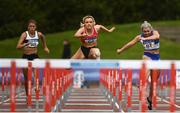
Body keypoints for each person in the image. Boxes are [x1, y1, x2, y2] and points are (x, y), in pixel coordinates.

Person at [117, 21, 160, 110]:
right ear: (142, 31)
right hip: (147, 55)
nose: (146, 33)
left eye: (148, 31)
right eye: (145, 32)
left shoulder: (155, 32)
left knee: (154, 82)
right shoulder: (139, 37)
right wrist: (121, 50)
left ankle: (150, 98)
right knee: (146, 66)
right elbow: (130, 44)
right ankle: (142, 81)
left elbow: (157, 36)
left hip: (157, 57)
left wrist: (145, 39)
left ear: (150, 29)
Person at [16, 19, 50, 100]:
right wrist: (25, 44)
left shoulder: (39, 34)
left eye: (33, 26)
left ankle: (37, 86)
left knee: (36, 73)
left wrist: (45, 47)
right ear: (28, 27)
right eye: (30, 26)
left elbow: (43, 38)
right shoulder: (24, 35)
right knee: (27, 79)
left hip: (35, 56)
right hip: (25, 57)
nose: (32, 28)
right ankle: (28, 96)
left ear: (35, 27)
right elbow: (18, 47)